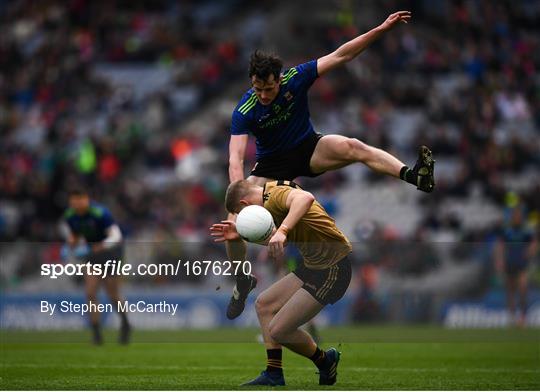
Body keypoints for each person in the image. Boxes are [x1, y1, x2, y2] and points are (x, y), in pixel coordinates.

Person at [225, 10, 435, 319]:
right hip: (271, 166)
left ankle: (414, 176)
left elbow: (343, 54)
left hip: (308, 148)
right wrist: (240, 198)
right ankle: (242, 280)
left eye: (268, 89)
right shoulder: (245, 108)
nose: (264, 95)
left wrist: (380, 28)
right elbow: (235, 158)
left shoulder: (297, 78)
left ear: (279, 79)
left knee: (354, 146)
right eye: (258, 89)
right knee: (231, 219)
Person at [211, 179, 352, 386]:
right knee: (263, 304)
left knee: (279, 330)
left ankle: (325, 361)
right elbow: (277, 240)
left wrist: (283, 230)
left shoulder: (274, 196)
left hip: (333, 268)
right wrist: (241, 233)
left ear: (244, 205)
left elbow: (306, 197)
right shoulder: (271, 200)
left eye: (242, 215)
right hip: (314, 266)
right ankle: (274, 373)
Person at [60, 189, 131, 344]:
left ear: (86, 199)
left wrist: (97, 248)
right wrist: (69, 245)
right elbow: (75, 234)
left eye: (80, 200)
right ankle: (96, 333)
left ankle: (125, 323)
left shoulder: (100, 213)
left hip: (111, 253)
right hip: (92, 254)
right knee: (90, 292)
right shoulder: (70, 216)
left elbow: (116, 236)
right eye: (74, 201)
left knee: (112, 294)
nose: (77, 205)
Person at [494, 206, 538, 326]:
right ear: (512, 217)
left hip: (522, 264)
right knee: (510, 292)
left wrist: (530, 252)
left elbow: (534, 243)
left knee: (523, 288)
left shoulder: (526, 230)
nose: (517, 218)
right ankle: (512, 317)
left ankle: (523, 317)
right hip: (510, 263)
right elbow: (500, 246)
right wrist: (500, 261)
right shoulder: (507, 230)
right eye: (515, 216)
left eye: (519, 216)